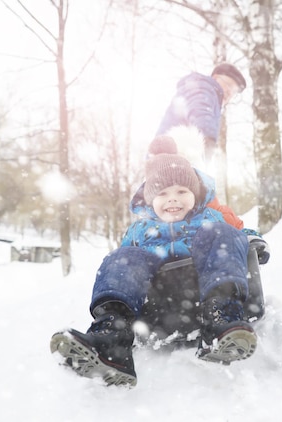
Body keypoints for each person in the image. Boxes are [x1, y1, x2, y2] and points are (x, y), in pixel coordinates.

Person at [50, 138, 259, 387]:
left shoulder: (211, 217)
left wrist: (253, 240)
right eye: (162, 193)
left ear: (195, 194)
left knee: (219, 233)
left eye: (182, 191)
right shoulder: (139, 230)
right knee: (122, 258)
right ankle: (112, 338)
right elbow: (121, 272)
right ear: (150, 201)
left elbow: (238, 234)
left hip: (203, 297)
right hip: (158, 310)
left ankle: (221, 319)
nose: (173, 199)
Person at [156, 62, 247, 164]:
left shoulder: (211, 98)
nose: (230, 92)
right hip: (171, 160)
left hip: (168, 159)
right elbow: (200, 109)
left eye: (234, 91)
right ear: (216, 78)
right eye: (228, 85)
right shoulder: (204, 87)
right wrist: (208, 138)